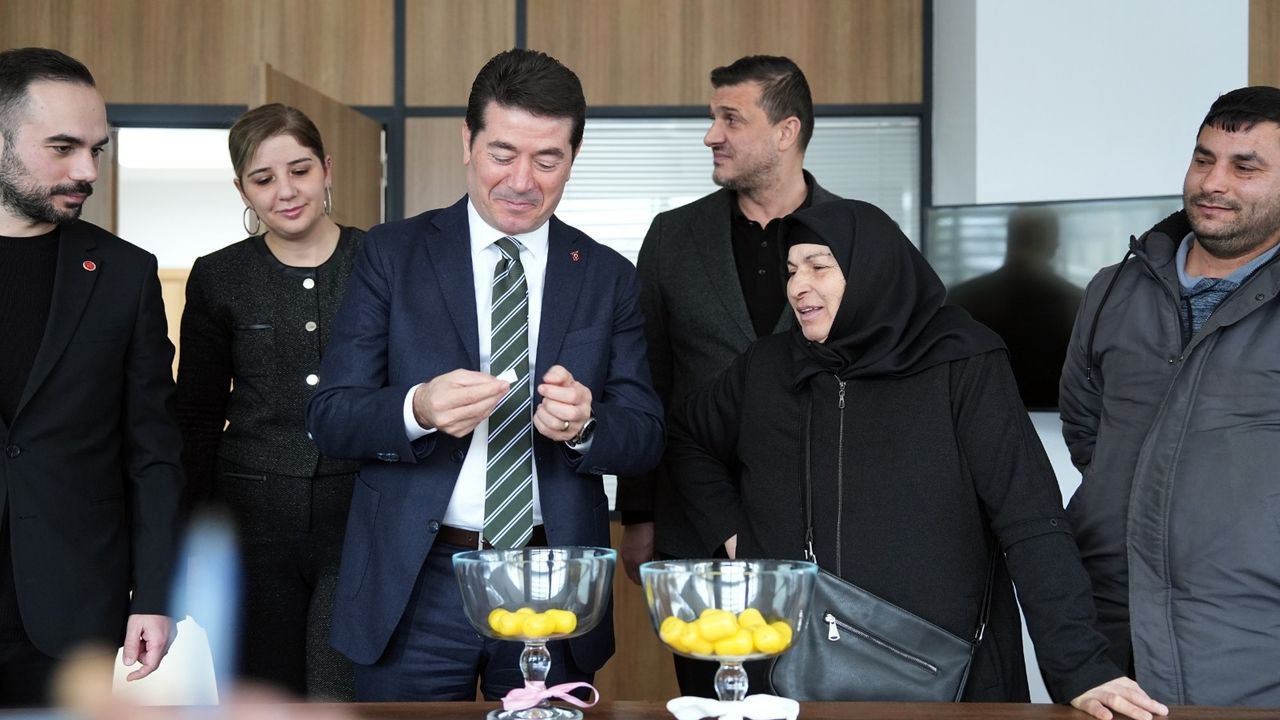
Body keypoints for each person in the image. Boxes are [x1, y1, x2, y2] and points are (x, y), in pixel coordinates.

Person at [669, 200, 1169, 720]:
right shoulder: (768, 367)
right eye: (792, 270)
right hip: (793, 672)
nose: (798, 286)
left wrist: (1081, 668)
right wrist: (736, 534)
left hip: (946, 671)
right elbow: (685, 437)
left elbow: (1030, 520)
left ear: (871, 270)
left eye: (819, 266)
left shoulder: (963, 361)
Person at [305, 48, 664, 701]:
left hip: (552, 578)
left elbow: (644, 435)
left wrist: (587, 425)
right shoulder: (391, 255)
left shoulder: (608, 276)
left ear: (573, 157)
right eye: (502, 153)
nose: (522, 181)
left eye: (547, 160)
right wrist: (418, 408)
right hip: (416, 578)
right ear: (467, 142)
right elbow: (331, 416)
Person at [615, 55, 840, 696]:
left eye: (730, 119)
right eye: (712, 117)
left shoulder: (854, 234)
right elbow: (647, 378)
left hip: (823, 526)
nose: (711, 135)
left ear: (786, 131)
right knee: (708, 703)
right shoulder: (672, 236)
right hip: (695, 529)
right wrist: (639, 515)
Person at [1061, 86, 1280, 707]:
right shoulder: (1112, 289)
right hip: (1111, 633)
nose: (1213, 182)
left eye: (1245, 167)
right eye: (1203, 159)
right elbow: (1086, 430)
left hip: (1251, 639)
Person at [0, 47, 183, 706]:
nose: (87, 171)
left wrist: (154, 594)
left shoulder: (125, 275)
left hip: (70, 610)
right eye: (63, 147)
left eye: (97, 150)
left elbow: (154, 452)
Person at [174, 103, 362, 699]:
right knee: (262, 698)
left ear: (327, 169)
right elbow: (197, 414)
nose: (286, 191)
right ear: (243, 190)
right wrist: (189, 534)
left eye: (300, 170)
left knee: (339, 694)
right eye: (263, 179)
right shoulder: (219, 275)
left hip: (359, 518)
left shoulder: (379, 261)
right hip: (249, 520)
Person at [947, 207, 1082, 408]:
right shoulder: (1078, 300)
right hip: (1060, 414)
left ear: (1009, 240)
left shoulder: (963, 296)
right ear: (1054, 245)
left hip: (979, 414)